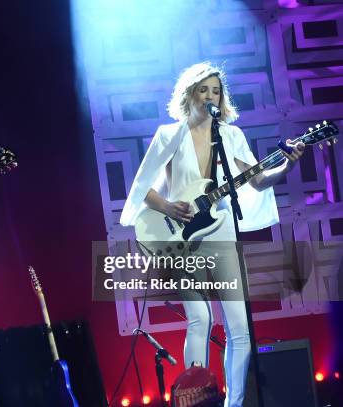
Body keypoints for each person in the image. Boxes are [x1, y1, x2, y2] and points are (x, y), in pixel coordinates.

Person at [120, 62, 304, 407]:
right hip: (180, 237)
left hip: (221, 235)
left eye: (215, 90)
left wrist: (288, 165)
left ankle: (232, 403)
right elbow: (141, 188)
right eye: (203, 89)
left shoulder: (231, 136)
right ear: (189, 93)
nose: (210, 96)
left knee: (241, 328)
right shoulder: (169, 135)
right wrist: (169, 206)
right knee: (200, 317)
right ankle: (195, 400)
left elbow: (258, 180)